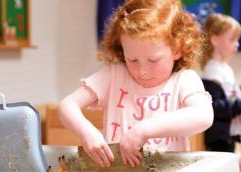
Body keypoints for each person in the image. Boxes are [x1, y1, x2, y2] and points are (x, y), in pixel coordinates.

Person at [58, 0, 213, 168]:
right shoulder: (115, 75)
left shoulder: (184, 80)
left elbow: (203, 116)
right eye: (132, 60)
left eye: (153, 60)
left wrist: (143, 130)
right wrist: (86, 132)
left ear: (177, 49)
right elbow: (67, 105)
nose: (142, 70)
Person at [201, 13, 241, 152]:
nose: (237, 44)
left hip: (229, 134)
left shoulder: (224, 68)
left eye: (237, 39)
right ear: (215, 40)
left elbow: (229, 93)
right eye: (232, 39)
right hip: (219, 138)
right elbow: (215, 106)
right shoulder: (212, 71)